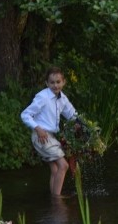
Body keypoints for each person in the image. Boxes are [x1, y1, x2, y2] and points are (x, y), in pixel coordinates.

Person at [21, 66, 78, 196]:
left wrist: (81, 125)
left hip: (50, 136)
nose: (55, 85)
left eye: (58, 82)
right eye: (52, 82)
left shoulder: (62, 98)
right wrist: (38, 128)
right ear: (47, 83)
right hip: (41, 136)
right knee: (64, 166)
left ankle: (53, 199)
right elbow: (25, 114)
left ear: (63, 82)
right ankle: (58, 200)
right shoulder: (43, 97)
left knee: (55, 168)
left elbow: (72, 114)